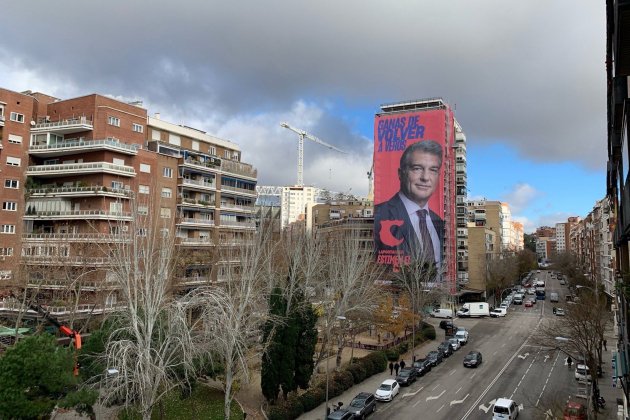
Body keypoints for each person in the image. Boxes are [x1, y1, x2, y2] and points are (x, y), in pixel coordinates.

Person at [374, 140, 445, 265]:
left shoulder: (439, 222)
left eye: (433, 170)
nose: (425, 177)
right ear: (401, 174)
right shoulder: (380, 214)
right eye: (417, 168)